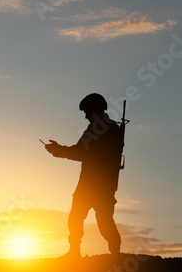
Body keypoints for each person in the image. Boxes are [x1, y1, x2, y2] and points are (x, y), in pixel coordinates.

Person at [44, 93, 123, 258]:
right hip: (101, 185)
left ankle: (81, 253)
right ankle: (113, 254)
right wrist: (61, 150)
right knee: (94, 219)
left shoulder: (98, 128)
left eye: (87, 111)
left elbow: (81, 152)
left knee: (95, 220)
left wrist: (59, 150)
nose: (86, 116)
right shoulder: (111, 128)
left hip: (93, 185)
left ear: (95, 110)